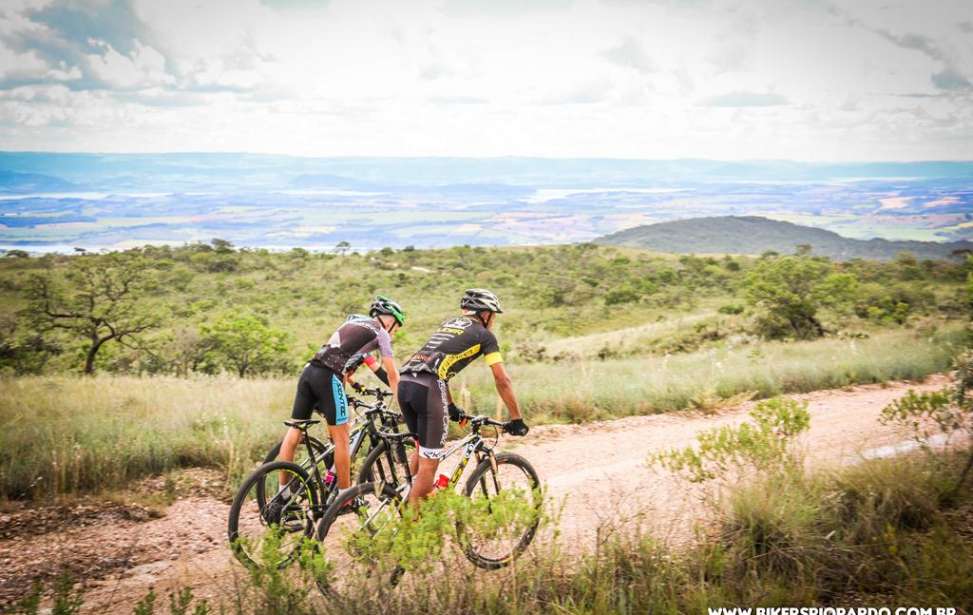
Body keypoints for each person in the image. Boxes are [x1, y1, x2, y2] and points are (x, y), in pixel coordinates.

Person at [269, 296, 404, 520]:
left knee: (295, 431)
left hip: (309, 371)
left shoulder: (355, 322)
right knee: (343, 438)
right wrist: (402, 402)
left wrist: (352, 384)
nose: (394, 333)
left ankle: (282, 496)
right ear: (390, 321)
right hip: (328, 377)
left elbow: (356, 361)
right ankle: (345, 497)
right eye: (396, 328)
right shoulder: (380, 332)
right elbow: (391, 373)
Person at [397, 288, 529, 505]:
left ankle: (405, 500)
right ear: (485, 314)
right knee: (430, 464)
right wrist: (517, 419)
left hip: (406, 382)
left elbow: (440, 365)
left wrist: (451, 407)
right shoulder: (485, 336)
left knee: (422, 449)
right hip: (428, 387)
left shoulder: (450, 324)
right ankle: (410, 529)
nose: (493, 320)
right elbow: (502, 379)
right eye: (493, 315)